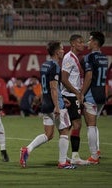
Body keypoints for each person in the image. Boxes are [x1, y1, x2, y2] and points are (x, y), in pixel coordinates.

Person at [20, 41, 76, 169]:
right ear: (57, 52)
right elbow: (53, 88)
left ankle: (27, 150)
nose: (63, 51)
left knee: (49, 134)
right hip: (55, 104)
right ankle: (62, 162)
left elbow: (46, 87)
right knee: (64, 131)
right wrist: (57, 105)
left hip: (45, 104)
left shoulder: (44, 64)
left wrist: (55, 99)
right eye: (62, 49)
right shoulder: (55, 66)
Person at [61, 34, 89, 165]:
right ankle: (75, 156)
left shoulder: (74, 58)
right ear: (72, 43)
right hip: (70, 96)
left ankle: (65, 156)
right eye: (79, 42)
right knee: (77, 124)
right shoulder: (68, 58)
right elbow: (64, 79)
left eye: (83, 42)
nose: (82, 44)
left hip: (72, 95)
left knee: (70, 125)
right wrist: (77, 92)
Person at [81, 31, 108, 164]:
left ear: (95, 43)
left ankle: (93, 156)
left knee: (90, 126)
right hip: (102, 95)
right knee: (94, 124)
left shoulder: (88, 58)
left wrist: (81, 93)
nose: (87, 42)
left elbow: (89, 76)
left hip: (91, 95)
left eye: (90, 40)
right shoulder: (104, 57)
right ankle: (97, 151)